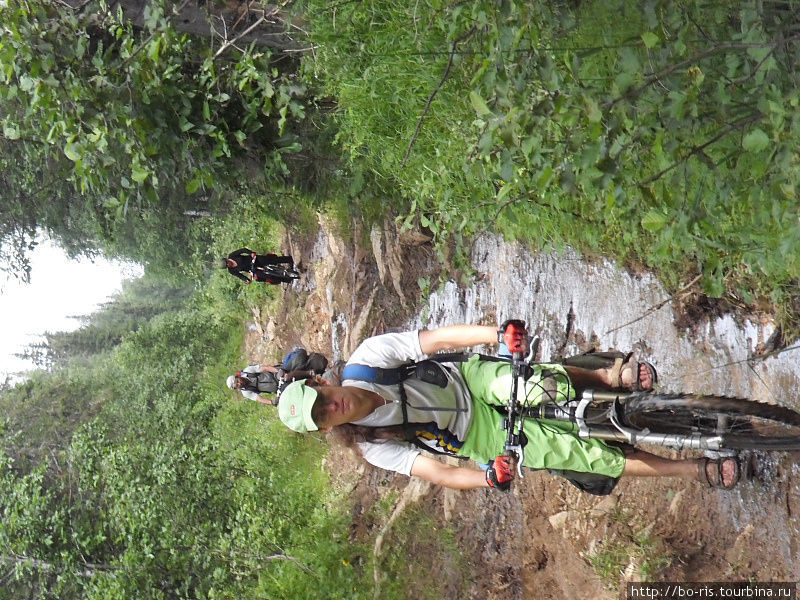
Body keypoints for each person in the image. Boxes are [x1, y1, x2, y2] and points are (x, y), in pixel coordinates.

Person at [277, 324, 740, 493]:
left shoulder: (366, 360)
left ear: (318, 382)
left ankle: (605, 376)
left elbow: (435, 340)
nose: (329, 407)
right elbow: (439, 473)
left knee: (530, 383)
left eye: (319, 399)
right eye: (322, 417)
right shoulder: (374, 445)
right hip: (478, 438)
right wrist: (488, 475)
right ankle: (693, 471)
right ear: (325, 428)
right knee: (579, 456)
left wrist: (496, 337)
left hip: (467, 379)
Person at [227, 349, 332, 405]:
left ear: (237, 377)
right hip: (278, 389)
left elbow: (265, 368)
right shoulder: (246, 392)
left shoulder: (248, 371)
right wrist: (272, 402)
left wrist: (278, 371)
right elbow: (259, 399)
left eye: (237, 381)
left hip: (278, 375)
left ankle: (310, 373)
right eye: (236, 386)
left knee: (289, 374)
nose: (239, 384)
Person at [222, 248, 295, 285]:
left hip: (254, 259)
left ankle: (289, 259)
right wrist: (246, 280)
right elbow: (240, 276)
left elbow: (242, 250)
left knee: (270, 260)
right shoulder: (231, 270)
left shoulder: (232, 255)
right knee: (267, 276)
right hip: (252, 269)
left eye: (227, 262)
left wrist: (251, 253)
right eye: (227, 265)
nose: (228, 264)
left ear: (227, 259)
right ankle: (288, 280)